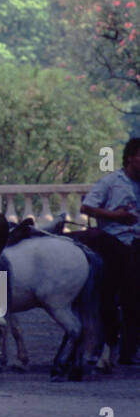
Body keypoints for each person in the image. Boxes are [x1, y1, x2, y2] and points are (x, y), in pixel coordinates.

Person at [80, 137, 140, 365]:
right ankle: (116, 345)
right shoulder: (111, 182)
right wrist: (117, 217)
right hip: (116, 242)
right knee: (123, 291)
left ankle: (130, 346)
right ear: (131, 157)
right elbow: (86, 206)